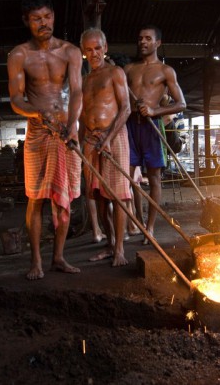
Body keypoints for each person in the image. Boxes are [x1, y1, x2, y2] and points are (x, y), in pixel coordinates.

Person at [7, 0, 83, 280]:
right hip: (39, 132)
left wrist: (72, 125)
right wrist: (38, 114)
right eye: (36, 18)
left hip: (66, 131)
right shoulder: (19, 55)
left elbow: (77, 90)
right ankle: (36, 261)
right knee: (35, 197)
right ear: (27, 21)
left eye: (48, 16)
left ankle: (59, 257)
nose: (44, 23)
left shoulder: (70, 51)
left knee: (65, 199)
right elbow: (16, 98)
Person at [123, 25, 186, 243]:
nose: (143, 42)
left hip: (152, 126)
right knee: (129, 179)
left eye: (148, 39)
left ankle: (150, 227)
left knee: (155, 179)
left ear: (158, 43)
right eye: (140, 38)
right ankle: (137, 222)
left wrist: (154, 110)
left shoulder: (165, 71)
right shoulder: (128, 69)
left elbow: (181, 104)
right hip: (130, 125)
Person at [79, 28, 131, 267]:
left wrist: (109, 138)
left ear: (105, 48)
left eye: (98, 48)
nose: (94, 53)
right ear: (83, 52)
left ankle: (120, 249)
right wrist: (80, 142)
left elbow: (126, 108)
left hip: (114, 137)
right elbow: (82, 115)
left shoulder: (115, 72)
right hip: (91, 140)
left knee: (118, 196)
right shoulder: (86, 80)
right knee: (99, 196)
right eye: (89, 50)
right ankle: (110, 245)